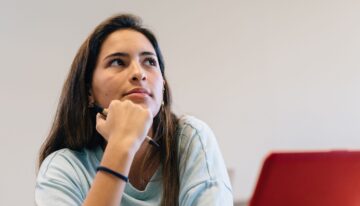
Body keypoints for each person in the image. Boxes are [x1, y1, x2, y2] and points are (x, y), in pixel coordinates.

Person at [35, 14, 233, 206]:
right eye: (118, 62)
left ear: (162, 85)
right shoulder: (62, 168)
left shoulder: (190, 138)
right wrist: (122, 145)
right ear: (89, 90)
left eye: (150, 62)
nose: (139, 73)